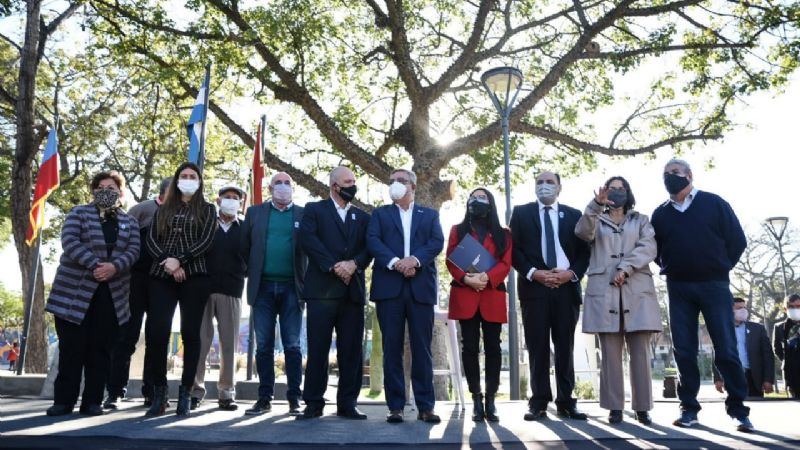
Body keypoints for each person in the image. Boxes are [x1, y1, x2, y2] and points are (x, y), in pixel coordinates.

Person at [651, 158, 752, 432]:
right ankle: (689, 410)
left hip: (714, 285)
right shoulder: (660, 214)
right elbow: (655, 251)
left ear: (689, 175)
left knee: (727, 349)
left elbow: (737, 240)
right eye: (666, 174)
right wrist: (672, 267)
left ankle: (739, 410)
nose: (670, 177)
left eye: (675, 172)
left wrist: (718, 266)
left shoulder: (714, 203)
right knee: (684, 350)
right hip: (679, 288)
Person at [45, 171, 140, 416]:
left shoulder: (129, 222)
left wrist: (114, 267)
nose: (106, 191)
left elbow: (133, 250)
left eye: (112, 187)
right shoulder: (79, 213)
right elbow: (70, 241)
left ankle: (92, 402)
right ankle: (64, 401)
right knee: (71, 348)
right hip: (74, 293)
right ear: (93, 191)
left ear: (120, 192)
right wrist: (96, 265)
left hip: (111, 294)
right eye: (100, 187)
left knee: (101, 350)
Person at [574, 176, 661, 425]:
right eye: (612, 188)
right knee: (610, 355)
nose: (616, 192)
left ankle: (642, 407)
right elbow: (582, 232)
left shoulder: (641, 220)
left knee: (640, 354)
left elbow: (648, 247)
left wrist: (626, 267)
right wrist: (595, 205)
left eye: (621, 189)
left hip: (637, 291)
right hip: (605, 292)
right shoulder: (595, 217)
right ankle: (614, 407)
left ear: (628, 192)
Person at [510, 171, 590, 421]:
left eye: (550, 182)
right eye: (539, 182)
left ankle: (567, 401)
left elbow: (584, 253)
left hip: (566, 290)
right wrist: (535, 273)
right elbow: (513, 251)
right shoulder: (521, 213)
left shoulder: (575, 215)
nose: (544, 186)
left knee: (565, 347)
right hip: (534, 290)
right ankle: (539, 402)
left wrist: (571, 274)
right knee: (537, 348)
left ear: (559, 187)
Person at [367, 168, 445, 424]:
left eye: (400, 180)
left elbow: (436, 242)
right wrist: (395, 263)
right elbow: (373, 241)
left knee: (422, 348)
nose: (395, 184)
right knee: (392, 348)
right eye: (391, 181)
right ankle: (396, 406)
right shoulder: (379, 214)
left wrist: (415, 261)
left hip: (420, 288)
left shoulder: (429, 215)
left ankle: (426, 406)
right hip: (389, 288)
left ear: (412, 186)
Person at [297, 166, 372, 420]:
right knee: (317, 349)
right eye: (348, 181)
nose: (353, 185)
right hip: (321, 292)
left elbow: (368, 248)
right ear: (334, 185)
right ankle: (313, 403)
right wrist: (333, 265)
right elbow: (309, 240)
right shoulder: (314, 210)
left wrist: (354, 264)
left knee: (351, 351)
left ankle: (347, 403)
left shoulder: (362, 217)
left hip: (352, 292)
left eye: (354, 180)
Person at [144, 162, 217, 417]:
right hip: (161, 275)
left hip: (195, 276)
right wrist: (168, 261)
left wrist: (181, 260)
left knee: (190, 333)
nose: (187, 179)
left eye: (192, 176)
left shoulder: (208, 209)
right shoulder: (164, 208)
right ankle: (159, 393)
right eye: (183, 176)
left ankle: (186, 393)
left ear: (199, 181)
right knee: (157, 332)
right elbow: (151, 239)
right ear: (176, 181)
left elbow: (207, 240)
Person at [241, 172, 307, 415]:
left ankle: (294, 398)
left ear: (293, 188)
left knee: (292, 345)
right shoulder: (255, 213)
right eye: (278, 183)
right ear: (270, 189)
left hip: (293, 288)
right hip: (263, 289)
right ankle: (264, 398)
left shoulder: (303, 214)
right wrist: (253, 270)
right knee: (264, 346)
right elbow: (243, 247)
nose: (283, 186)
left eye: (287, 183)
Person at [105, 177, 171, 409]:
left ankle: (151, 391)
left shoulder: (182, 213)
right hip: (135, 280)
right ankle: (114, 391)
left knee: (157, 338)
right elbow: (123, 241)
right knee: (126, 336)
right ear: (162, 193)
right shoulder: (141, 209)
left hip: (163, 282)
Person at [446, 188, 511, 422]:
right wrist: (467, 279)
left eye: (482, 197)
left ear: (491, 203)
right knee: (469, 348)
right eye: (473, 197)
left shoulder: (504, 233)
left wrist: (487, 278)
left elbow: (506, 262)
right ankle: (476, 398)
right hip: (466, 294)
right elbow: (450, 260)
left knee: (494, 349)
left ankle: (491, 400)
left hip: (492, 295)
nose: (477, 200)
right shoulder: (458, 230)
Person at [190, 186, 247, 411]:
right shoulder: (204, 223)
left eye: (235, 198)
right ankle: (195, 391)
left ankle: (226, 393)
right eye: (227, 198)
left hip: (232, 291)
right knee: (200, 342)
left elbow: (251, 256)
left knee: (229, 345)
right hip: (202, 289)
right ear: (218, 200)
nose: (231, 201)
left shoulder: (244, 228)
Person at [713, 298, 775, 398]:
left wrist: (768, 379)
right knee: (736, 407)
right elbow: (716, 355)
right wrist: (717, 379)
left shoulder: (757, 329)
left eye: (744, 308)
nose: (743, 311)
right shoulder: (722, 329)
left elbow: (767, 355)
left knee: (757, 408)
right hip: (732, 376)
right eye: (739, 308)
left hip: (753, 377)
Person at [774, 294, 800, 398]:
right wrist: (787, 360)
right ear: (785, 309)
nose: (795, 309)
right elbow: (777, 349)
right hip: (791, 373)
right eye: (791, 307)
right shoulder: (780, 327)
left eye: (798, 306)